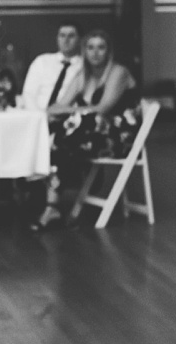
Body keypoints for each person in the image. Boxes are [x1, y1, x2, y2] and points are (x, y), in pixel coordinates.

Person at [33, 30, 141, 231]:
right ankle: (51, 202)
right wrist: (69, 112)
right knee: (57, 130)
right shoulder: (83, 75)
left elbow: (103, 109)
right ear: (84, 51)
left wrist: (71, 111)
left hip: (119, 139)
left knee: (69, 132)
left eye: (101, 47)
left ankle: (50, 200)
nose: (95, 53)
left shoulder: (118, 72)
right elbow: (55, 107)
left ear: (109, 51)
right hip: (87, 136)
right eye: (90, 47)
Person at [20, 22, 83, 111]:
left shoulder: (84, 66)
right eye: (62, 35)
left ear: (79, 40)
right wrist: (39, 116)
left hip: (69, 115)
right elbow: (28, 94)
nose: (66, 40)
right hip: (38, 114)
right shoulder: (42, 61)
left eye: (71, 36)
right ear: (57, 38)